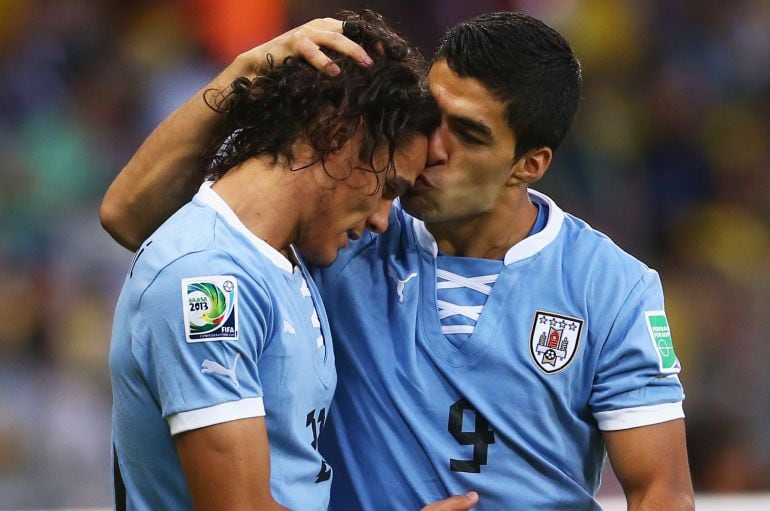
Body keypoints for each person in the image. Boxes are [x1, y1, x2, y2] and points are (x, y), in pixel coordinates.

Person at [101, 10, 695, 511]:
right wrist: (247, 72)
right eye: (431, 116)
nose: (431, 149)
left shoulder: (613, 289)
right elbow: (133, 219)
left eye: (468, 133)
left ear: (528, 164)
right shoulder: (344, 221)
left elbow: (660, 490)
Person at [106, 11, 478, 511]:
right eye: (387, 189)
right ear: (338, 135)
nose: (383, 220)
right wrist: (248, 67)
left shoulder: (285, 244)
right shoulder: (207, 278)